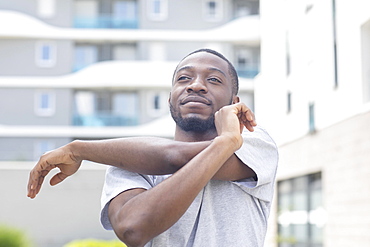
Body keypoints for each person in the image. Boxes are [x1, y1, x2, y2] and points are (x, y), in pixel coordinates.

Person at [27, 48, 278, 247]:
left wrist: (79, 149)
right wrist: (226, 141)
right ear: (170, 99)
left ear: (234, 103)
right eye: (184, 78)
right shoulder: (127, 161)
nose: (196, 85)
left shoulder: (254, 143)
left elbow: (173, 157)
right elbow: (133, 229)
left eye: (213, 79)